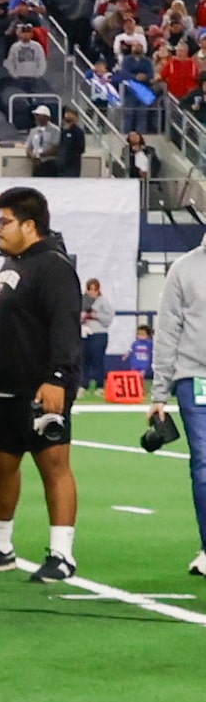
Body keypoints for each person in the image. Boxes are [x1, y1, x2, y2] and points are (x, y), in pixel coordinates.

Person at [0, 186, 82, 582]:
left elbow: (65, 326)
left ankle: (62, 554)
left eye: (4, 221)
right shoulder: (11, 265)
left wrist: (57, 377)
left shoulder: (53, 266)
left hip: (39, 388)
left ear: (29, 225)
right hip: (4, 390)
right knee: (1, 464)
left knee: (54, 465)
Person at [150, 236, 206, 577]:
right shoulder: (184, 269)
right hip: (195, 379)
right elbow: (167, 330)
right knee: (204, 463)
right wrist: (160, 393)